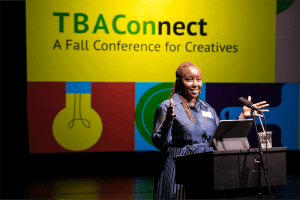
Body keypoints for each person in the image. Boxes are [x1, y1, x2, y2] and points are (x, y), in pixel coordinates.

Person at [152, 62, 269, 200]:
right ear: (179, 82)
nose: (195, 84)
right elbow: (159, 143)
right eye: (189, 79)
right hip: (179, 170)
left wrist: (242, 117)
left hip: (206, 168)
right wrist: (168, 123)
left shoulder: (207, 108)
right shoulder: (167, 106)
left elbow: (221, 138)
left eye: (198, 79)